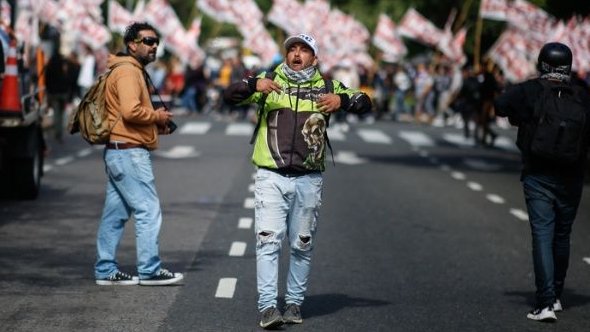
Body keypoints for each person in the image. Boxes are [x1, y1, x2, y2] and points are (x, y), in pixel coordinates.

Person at [223, 33, 372, 329]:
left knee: (302, 244)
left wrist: (341, 100)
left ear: (314, 59)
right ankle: (267, 306)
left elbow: (364, 102)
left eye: (304, 50)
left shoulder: (327, 87)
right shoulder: (269, 80)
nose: (297, 53)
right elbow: (228, 96)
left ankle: (293, 303)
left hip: (309, 179)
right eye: (292, 48)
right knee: (268, 241)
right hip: (270, 176)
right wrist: (254, 85)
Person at [494, 42, 590, 322]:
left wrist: (521, 115)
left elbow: (500, 105)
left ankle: (545, 302)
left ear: (542, 63)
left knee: (543, 233)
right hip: (573, 175)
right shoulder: (583, 96)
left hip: (538, 173)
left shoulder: (530, 89)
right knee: (562, 235)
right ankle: (557, 296)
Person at [94, 22, 183, 286]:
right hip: (129, 152)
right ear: (132, 44)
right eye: (148, 41)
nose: (154, 46)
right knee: (148, 210)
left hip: (120, 150)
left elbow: (128, 115)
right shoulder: (128, 72)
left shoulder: (126, 69)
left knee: (115, 214)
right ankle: (149, 269)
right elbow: (131, 111)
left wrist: (155, 125)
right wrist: (155, 115)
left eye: (156, 41)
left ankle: (105, 269)